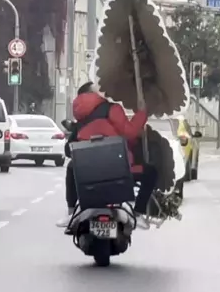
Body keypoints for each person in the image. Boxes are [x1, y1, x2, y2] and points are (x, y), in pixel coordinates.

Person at [56, 81, 156, 230]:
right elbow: (129, 132)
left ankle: (71, 212)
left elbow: (69, 150)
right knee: (151, 172)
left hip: (87, 173)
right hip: (116, 170)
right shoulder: (112, 109)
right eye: (99, 89)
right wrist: (142, 114)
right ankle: (138, 213)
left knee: (71, 168)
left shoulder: (80, 117)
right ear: (94, 94)